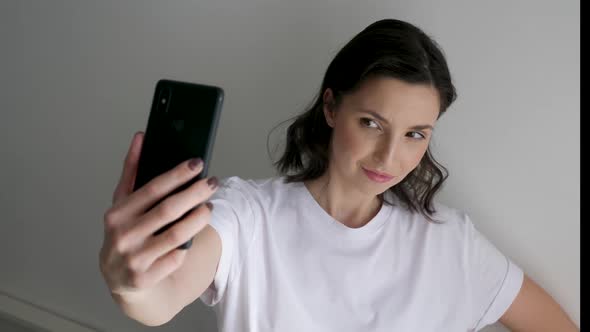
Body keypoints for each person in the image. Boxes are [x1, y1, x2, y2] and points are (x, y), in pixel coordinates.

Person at [99, 19, 578, 331]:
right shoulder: (247, 215)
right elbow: (160, 299)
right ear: (331, 107)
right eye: (372, 124)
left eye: (416, 134)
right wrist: (131, 283)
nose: (390, 157)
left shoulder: (453, 243)